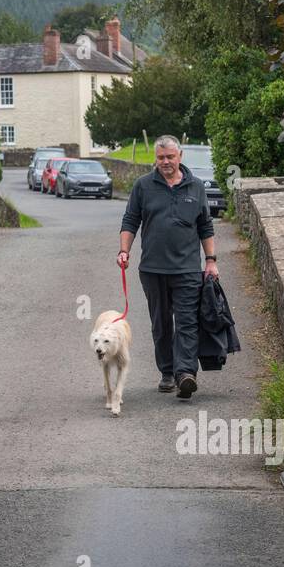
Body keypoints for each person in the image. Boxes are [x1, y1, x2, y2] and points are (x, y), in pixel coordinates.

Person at [116, 135, 218, 399]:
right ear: (155, 159)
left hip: (187, 269)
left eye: (170, 157)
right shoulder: (143, 186)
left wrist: (210, 261)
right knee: (161, 325)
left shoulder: (196, 187)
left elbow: (205, 226)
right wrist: (124, 251)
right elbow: (130, 220)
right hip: (152, 269)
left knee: (186, 322)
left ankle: (185, 374)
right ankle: (167, 372)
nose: (166, 162)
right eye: (161, 158)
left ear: (180, 156)